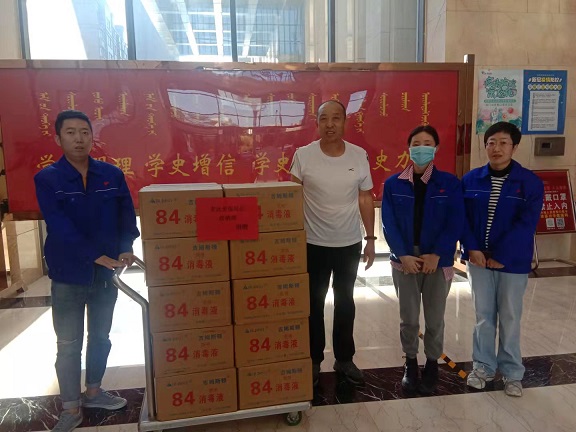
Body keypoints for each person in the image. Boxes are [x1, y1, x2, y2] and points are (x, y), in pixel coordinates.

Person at [34, 110, 140, 432]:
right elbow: (59, 226)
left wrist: (125, 245)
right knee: (68, 344)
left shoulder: (111, 174)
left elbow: (126, 213)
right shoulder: (48, 178)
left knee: (101, 336)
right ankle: (70, 408)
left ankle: (94, 392)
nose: (78, 139)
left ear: (92, 137)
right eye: (70, 132)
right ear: (58, 138)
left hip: (106, 275)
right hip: (68, 274)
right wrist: (95, 255)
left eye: (84, 132)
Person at [290, 100, 375, 387]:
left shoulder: (358, 155)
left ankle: (344, 358)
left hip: (348, 243)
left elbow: (365, 197)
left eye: (336, 118)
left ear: (344, 122)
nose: (330, 124)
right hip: (313, 243)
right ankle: (313, 359)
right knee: (313, 303)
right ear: (316, 123)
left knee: (345, 301)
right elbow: (292, 197)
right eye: (324, 118)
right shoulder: (303, 156)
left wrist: (370, 239)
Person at [461, 121, 543, 397]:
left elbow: (526, 223)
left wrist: (502, 256)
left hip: (512, 263)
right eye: (491, 142)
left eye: (503, 143)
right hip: (478, 261)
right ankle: (483, 367)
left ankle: (512, 373)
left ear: (514, 147)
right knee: (483, 316)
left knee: (509, 316)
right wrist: (472, 249)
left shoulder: (529, 183)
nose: (496, 148)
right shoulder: (471, 180)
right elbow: (463, 220)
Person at [381, 125, 464, 394]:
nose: (421, 148)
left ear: (436, 148)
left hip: (437, 260)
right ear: (409, 148)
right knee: (408, 317)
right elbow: (389, 223)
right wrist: (403, 254)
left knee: (435, 317)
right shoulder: (393, 184)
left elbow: (455, 221)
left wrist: (438, 254)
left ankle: (432, 362)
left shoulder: (449, 183)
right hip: (404, 259)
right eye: (416, 143)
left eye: (427, 143)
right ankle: (410, 361)